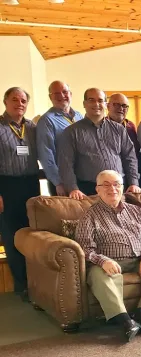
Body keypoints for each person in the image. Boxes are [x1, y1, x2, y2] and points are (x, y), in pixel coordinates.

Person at [75, 170, 141, 342]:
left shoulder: (137, 211)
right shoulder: (89, 216)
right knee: (97, 275)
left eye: (116, 184)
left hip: (138, 260)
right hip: (109, 263)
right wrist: (102, 261)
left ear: (122, 187)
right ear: (97, 189)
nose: (112, 188)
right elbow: (84, 248)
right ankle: (126, 321)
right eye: (106, 185)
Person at [58, 88, 141, 198]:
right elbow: (66, 164)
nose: (96, 104)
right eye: (91, 100)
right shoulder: (71, 132)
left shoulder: (119, 129)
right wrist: (73, 189)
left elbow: (130, 158)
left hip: (119, 189)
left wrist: (134, 183)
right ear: (84, 103)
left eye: (100, 100)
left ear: (106, 104)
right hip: (87, 191)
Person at [0, 87, 40, 298]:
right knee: (12, 234)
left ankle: (35, 282)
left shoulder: (32, 127)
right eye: (14, 99)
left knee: (32, 233)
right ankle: (21, 284)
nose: (19, 103)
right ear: (5, 102)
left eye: (23, 100)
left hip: (31, 185)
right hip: (6, 186)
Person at [36, 80, 83, 196]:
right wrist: (58, 182)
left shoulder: (79, 116)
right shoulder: (46, 120)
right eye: (56, 93)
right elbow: (45, 154)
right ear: (50, 97)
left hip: (81, 178)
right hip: (63, 181)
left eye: (65, 92)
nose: (62, 96)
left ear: (70, 94)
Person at [107, 93, 139, 158]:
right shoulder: (101, 126)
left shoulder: (130, 126)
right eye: (117, 105)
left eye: (124, 106)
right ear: (108, 106)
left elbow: (136, 150)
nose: (121, 108)